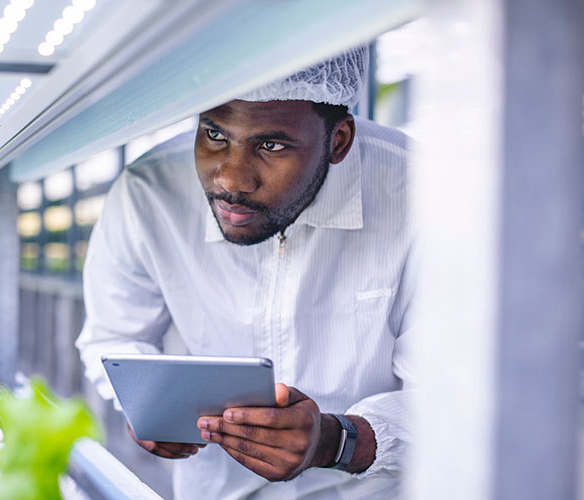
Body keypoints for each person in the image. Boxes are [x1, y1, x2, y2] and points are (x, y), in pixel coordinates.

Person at [75, 46, 413, 499]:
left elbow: (463, 392)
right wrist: (149, 404)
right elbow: (110, 336)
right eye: (215, 134)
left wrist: (338, 441)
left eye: (271, 145)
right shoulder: (149, 194)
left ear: (338, 142)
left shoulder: (422, 193)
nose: (231, 179)